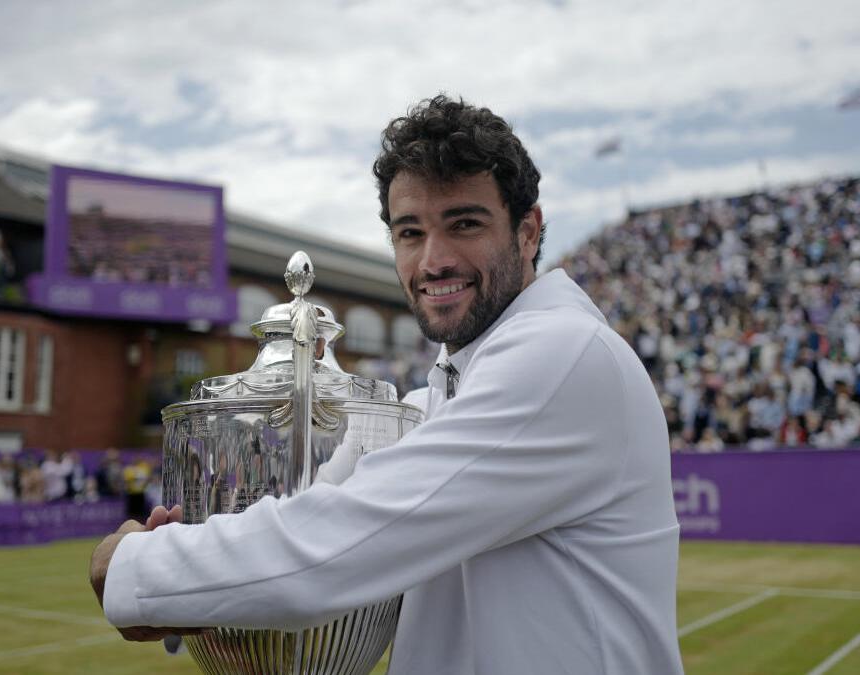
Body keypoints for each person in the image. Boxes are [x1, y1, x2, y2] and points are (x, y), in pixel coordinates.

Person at [90, 95, 684, 674]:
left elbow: (333, 546)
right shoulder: (424, 406)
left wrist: (139, 567)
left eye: (465, 224)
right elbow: (310, 536)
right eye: (409, 233)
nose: (433, 261)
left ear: (528, 232)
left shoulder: (565, 355)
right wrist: (191, 576)